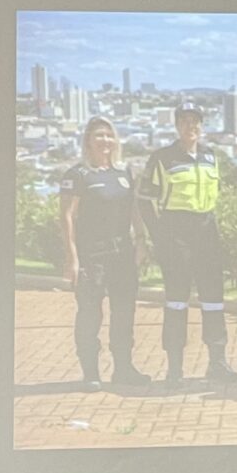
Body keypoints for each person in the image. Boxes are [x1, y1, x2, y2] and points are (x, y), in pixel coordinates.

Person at [140, 103, 237, 386]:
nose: (190, 126)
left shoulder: (211, 156)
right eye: (184, 121)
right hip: (175, 232)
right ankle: (175, 368)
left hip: (206, 230)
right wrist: (158, 235)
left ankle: (217, 362)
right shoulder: (163, 158)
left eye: (195, 121)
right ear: (176, 126)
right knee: (176, 301)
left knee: (213, 300)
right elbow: (145, 201)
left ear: (202, 126)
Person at [59, 116, 152, 390]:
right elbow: (66, 217)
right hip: (91, 255)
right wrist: (72, 258)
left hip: (122, 253)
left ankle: (124, 369)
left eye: (109, 135)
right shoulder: (77, 175)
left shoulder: (124, 173)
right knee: (90, 314)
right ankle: (91, 372)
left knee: (124, 312)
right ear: (88, 140)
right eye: (99, 135)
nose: (105, 141)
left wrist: (142, 241)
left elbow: (134, 209)